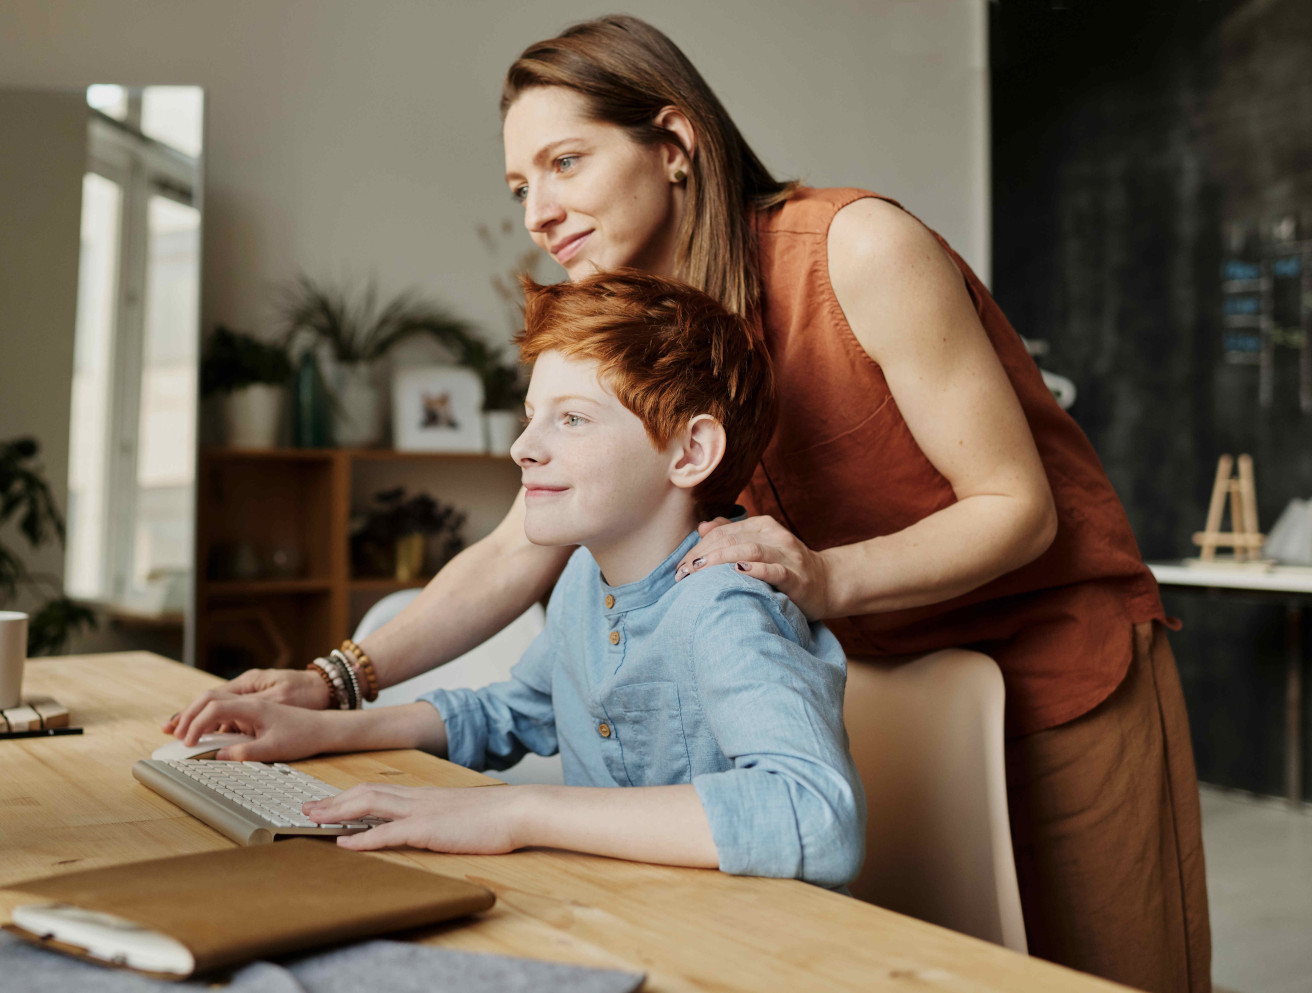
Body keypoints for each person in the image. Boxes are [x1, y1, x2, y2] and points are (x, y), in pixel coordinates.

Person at [168, 16, 1208, 992]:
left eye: (565, 162)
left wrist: (823, 575)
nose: (537, 211)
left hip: (1056, 666)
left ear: (673, 141)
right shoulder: (648, 325)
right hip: (872, 675)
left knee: (1104, 974)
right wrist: (332, 681)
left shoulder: (855, 248)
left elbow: (1014, 507)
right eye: (519, 183)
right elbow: (516, 547)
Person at [171, 271, 865, 886]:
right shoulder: (582, 585)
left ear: (690, 451)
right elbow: (513, 712)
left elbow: (816, 812)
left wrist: (518, 811)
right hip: (616, 912)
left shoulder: (726, 605)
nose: (523, 447)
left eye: (571, 419)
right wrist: (318, 729)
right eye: (533, 415)